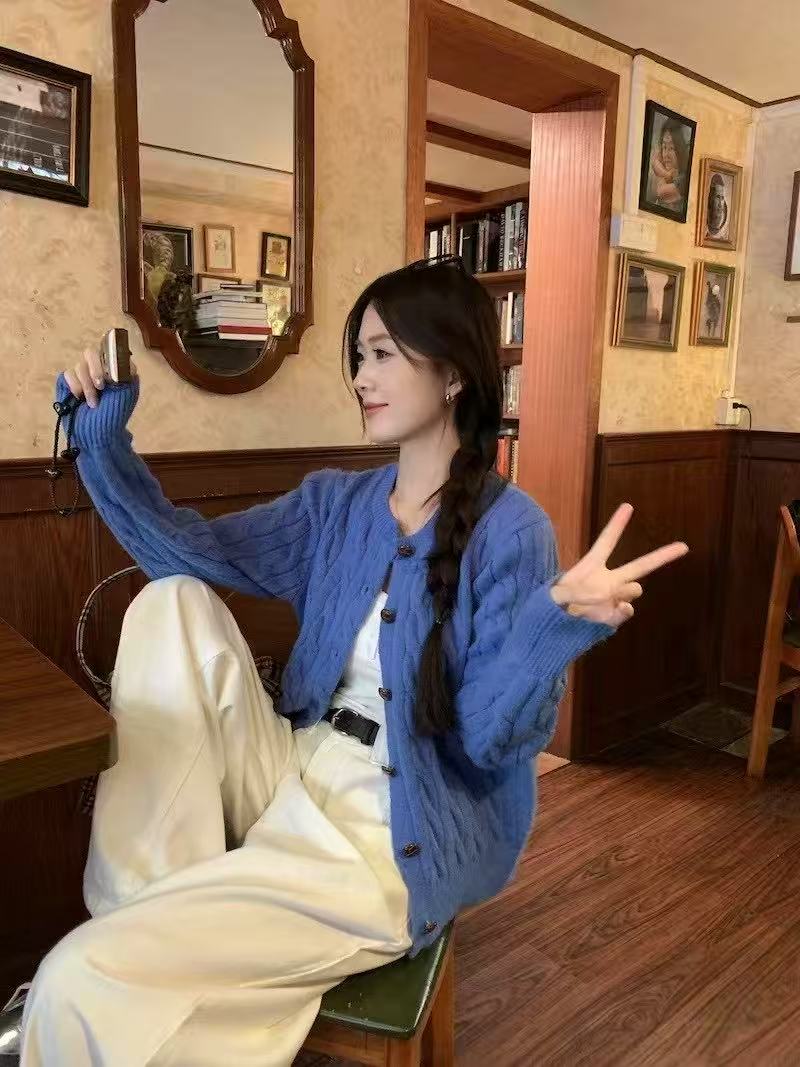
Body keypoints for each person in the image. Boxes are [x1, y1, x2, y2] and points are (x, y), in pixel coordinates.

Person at [3, 257, 687, 1066]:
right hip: (293, 769)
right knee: (170, 602)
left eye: (384, 353)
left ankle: (125, 952)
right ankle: (139, 913)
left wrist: (553, 626)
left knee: (73, 980)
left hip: (392, 832)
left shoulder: (513, 530)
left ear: (454, 375)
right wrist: (103, 444)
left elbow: (486, 743)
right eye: (359, 356)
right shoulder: (338, 503)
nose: (361, 376)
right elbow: (186, 553)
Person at [648, 120, 689, 213]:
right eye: (664, 147)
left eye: (671, 148)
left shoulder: (684, 179)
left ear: (681, 149)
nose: (666, 155)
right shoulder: (666, 176)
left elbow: (660, 191)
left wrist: (665, 173)